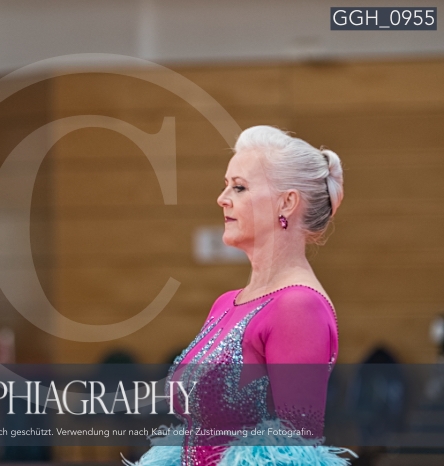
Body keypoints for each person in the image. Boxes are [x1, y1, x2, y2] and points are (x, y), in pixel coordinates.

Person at [131, 126, 354, 465]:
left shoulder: (298, 306)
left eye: (239, 187)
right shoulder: (226, 303)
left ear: (286, 202)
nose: (222, 198)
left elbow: (295, 454)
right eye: (226, 185)